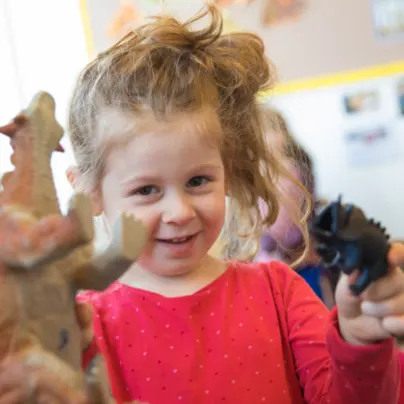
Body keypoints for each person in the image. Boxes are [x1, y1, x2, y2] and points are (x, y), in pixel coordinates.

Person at [1, 4, 404, 404]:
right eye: (147, 190)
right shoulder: (84, 324)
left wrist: (358, 338)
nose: (179, 212)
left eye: (198, 181)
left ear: (227, 170)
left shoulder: (279, 295)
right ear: (90, 193)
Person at [254, 107, 338, 308]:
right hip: (271, 259)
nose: (268, 138)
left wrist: (272, 242)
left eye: (274, 131)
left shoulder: (291, 171)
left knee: (311, 310)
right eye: (262, 133)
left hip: (296, 256)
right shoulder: (260, 172)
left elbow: (292, 221)